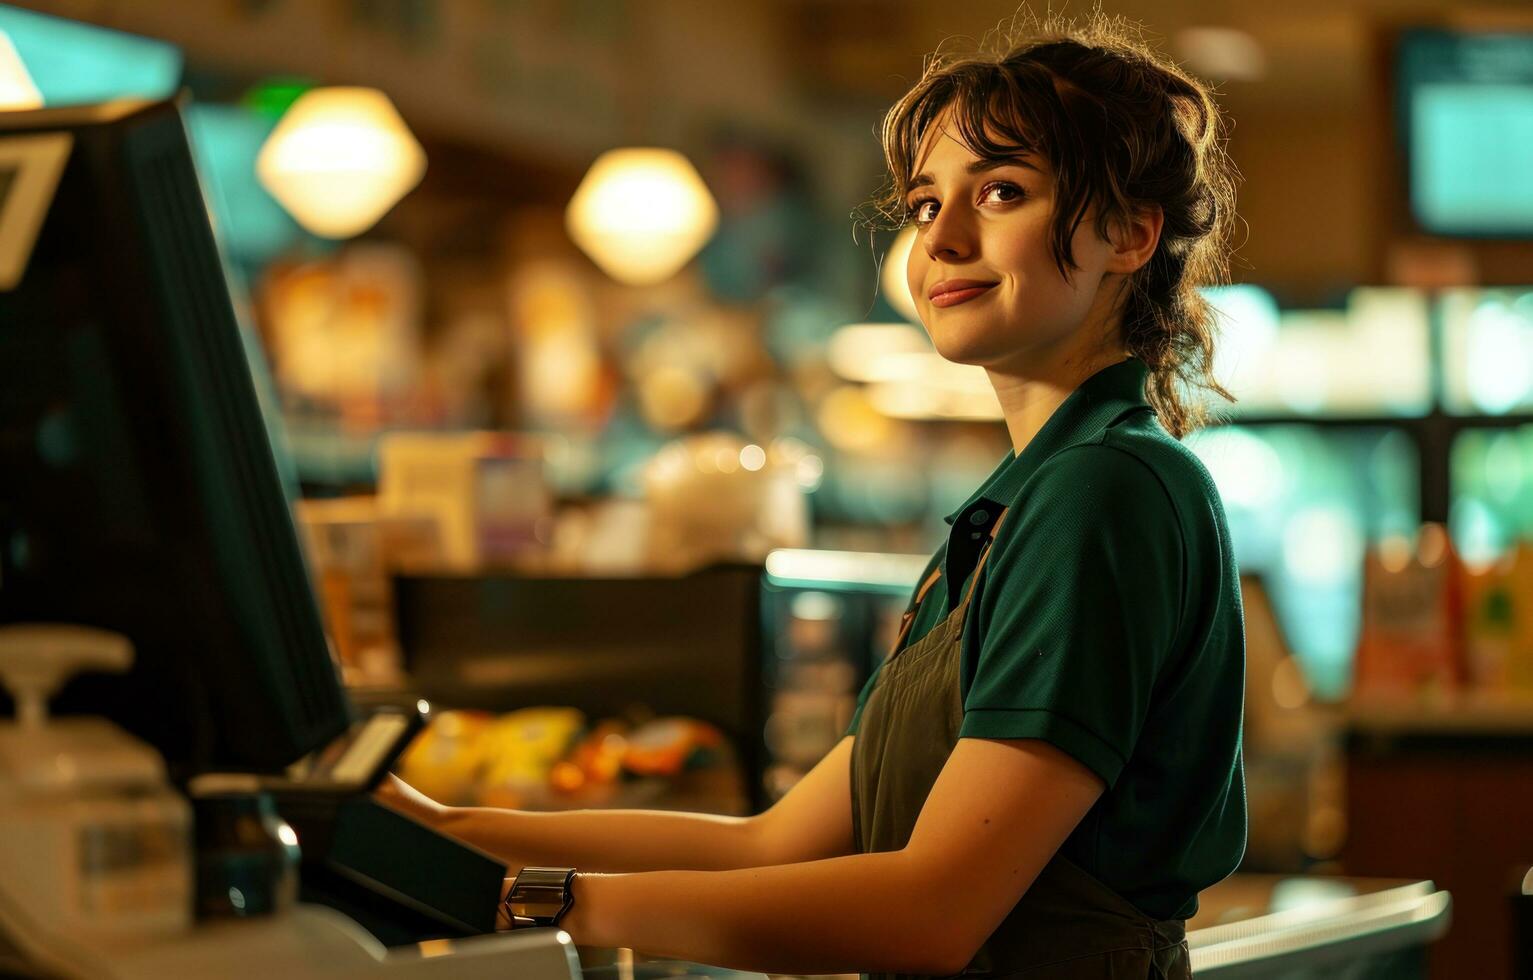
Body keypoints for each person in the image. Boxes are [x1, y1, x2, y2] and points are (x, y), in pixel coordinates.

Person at [379, 10, 1246, 978]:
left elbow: (931, 910)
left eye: (1002, 192)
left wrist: (543, 903)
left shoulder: (1104, 491)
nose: (944, 239)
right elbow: (773, 841)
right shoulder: (1018, 505)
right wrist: (439, 828)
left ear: (1130, 235)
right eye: (924, 205)